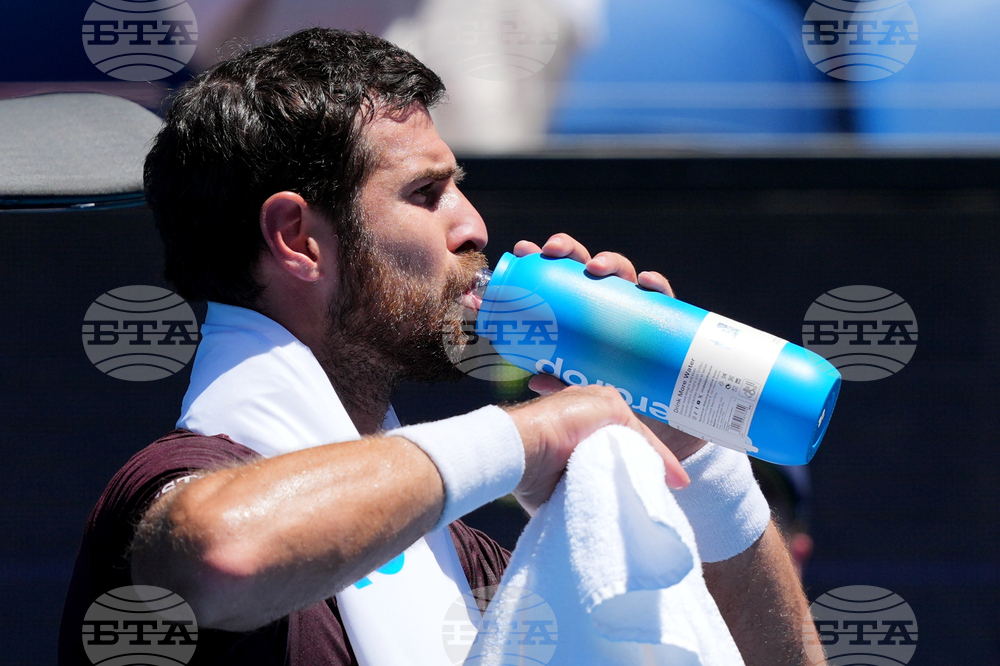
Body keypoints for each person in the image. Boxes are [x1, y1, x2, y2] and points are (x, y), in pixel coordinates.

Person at [59, 28, 822, 665]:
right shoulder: (172, 484)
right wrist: (530, 434)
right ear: (297, 239)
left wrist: (699, 461)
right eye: (426, 195)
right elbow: (223, 553)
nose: (474, 226)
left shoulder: (461, 561)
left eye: (459, 187)